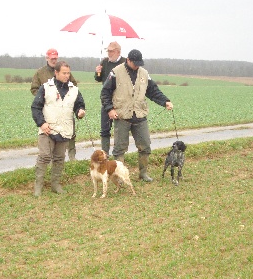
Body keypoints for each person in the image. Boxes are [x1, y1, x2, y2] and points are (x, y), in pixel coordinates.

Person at [101, 49, 173, 182]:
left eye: (140, 63)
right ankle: (119, 176)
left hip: (140, 116)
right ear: (128, 60)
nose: (137, 66)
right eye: (135, 63)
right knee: (119, 149)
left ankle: (143, 173)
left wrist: (165, 101)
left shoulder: (144, 74)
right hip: (122, 116)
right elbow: (105, 93)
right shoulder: (116, 72)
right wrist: (110, 109)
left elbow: (153, 91)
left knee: (145, 146)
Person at [31, 61, 86, 196]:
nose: (67, 76)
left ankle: (55, 184)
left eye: (68, 73)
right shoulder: (45, 87)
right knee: (44, 156)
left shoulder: (74, 90)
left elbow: (80, 104)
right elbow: (35, 107)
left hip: (64, 129)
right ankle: (38, 185)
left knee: (59, 158)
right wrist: (42, 123)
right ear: (56, 73)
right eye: (64, 73)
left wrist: (80, 111)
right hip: (47, 129)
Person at [31, 48, 79, 161]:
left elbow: (74, 85)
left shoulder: (64, 70)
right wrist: (45, 95)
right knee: (49, 134)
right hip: (49, 108)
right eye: (52, 58)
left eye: (55, 58)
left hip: (65, 106)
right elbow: (34, 89)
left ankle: (72, 157)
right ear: (47, 58)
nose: (54, 60)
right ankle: (50, 157)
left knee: (70, 132)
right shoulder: (40, 72)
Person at [94, 41, 126, 156]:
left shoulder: (125, 62)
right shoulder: (104, 62)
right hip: (106, 100)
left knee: (120, 130)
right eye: (108, 51)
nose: (109, 53)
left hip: (121, 102)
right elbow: (98, 79)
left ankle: (118, 154)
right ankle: (105, 154)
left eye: (111, 51)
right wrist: (97, 72)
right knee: (105, 130)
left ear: (118, 51)